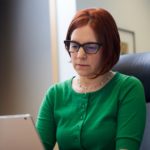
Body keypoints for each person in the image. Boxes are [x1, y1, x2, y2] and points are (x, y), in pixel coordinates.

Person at [36, 8, 146, 150]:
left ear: (108, 49)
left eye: (90, 47)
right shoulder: (55, 94)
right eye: (74, 46)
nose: (80, 54)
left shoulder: (128, 88)